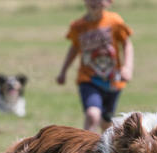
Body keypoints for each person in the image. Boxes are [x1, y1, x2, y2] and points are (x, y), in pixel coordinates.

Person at [56, 0, 134, 132]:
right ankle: (85, 151)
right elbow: (74, 48)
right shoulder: (78, 26)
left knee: (106, 123)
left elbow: (126, 43)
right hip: (88, 79)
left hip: (112, 81)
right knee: (93, 115)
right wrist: (63, 71)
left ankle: (107, 149)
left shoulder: (114, 21)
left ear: (108, 2)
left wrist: (127, 67)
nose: (94, 2)